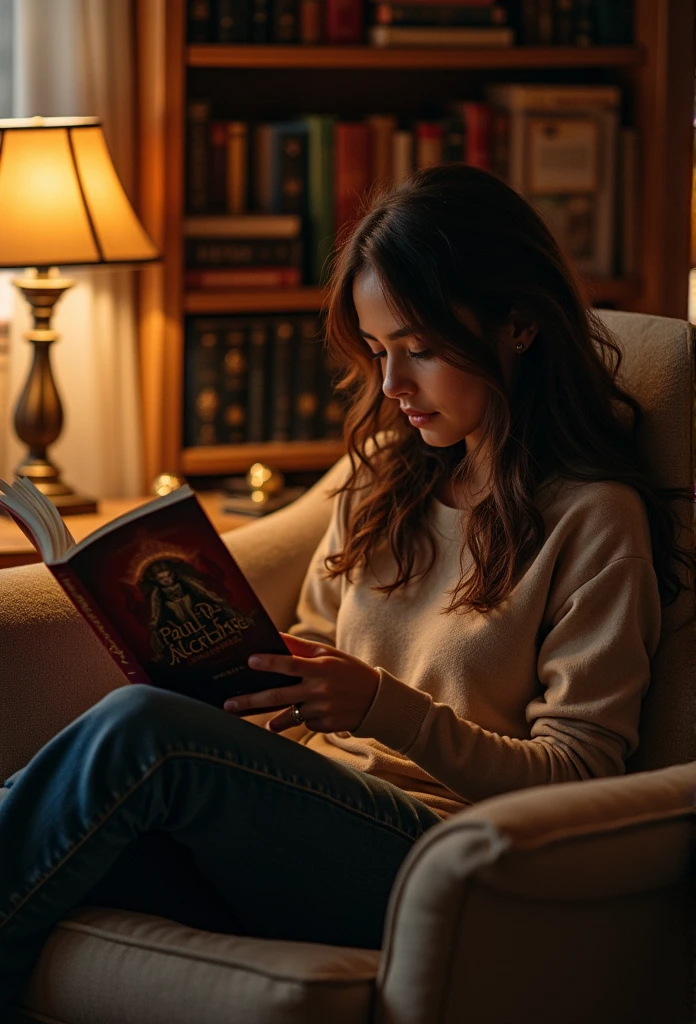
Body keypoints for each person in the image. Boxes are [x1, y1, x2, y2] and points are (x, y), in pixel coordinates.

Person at [0, 164, 692, 1013]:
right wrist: (240, 677)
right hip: (301, 807)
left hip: (429, 848)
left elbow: (582, 777)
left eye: (422, 349)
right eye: (378, 352)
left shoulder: (594, 520)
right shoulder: (385, 482)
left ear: (518, 326)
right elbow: (315, 642)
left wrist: (378, 707)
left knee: (142, 734)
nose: (394, 388)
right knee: (62, 817)